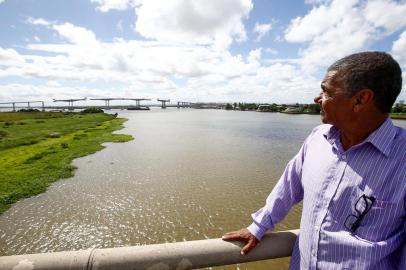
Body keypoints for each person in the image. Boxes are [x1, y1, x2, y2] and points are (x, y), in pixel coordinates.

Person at [222, 51, 406, 269]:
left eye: (326, 91)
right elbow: (289, 186)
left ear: (360, 99)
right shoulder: (318, 138)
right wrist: (258, 226)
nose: (317, 99)